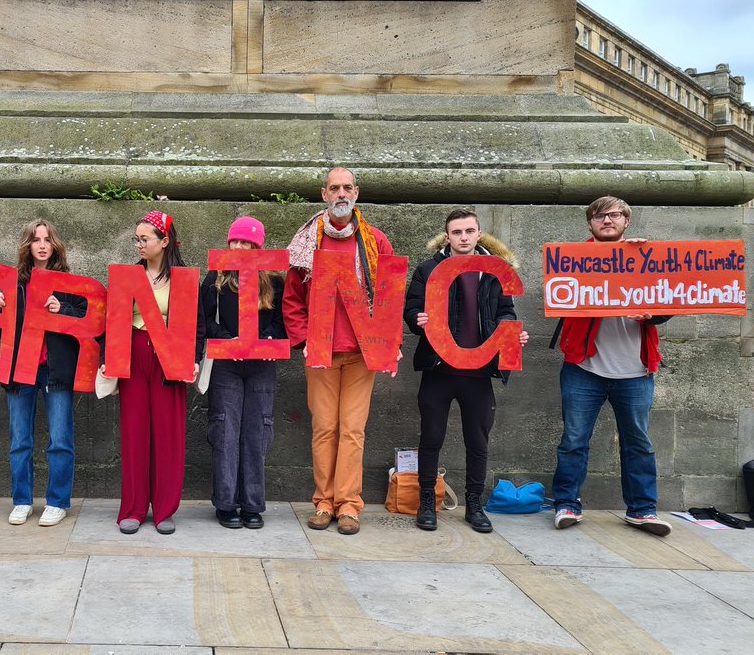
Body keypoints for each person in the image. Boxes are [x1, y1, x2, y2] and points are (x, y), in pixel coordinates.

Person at [551, 196, 673, 536]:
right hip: (584, 369)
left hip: (635, 371)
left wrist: (653, 312)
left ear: (626, 221)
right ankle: (566, 504)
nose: (607, 220)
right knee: (574, 440)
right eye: (599, 216)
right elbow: (559, 294)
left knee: (639, 443)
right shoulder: (573, 259)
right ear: (590, 223)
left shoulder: (646, 257)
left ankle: (643, 510)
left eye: (615, 215)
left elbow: (668, 302)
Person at [282, 167, 394, 535]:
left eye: (347, 187)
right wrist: (303, 340)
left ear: (356, 193)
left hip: (362, 352)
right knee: (324, 429)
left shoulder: (376, 241)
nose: (341, 193)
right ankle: (324, 502)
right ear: (324, 194)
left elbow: (390, 295)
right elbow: (292, 298)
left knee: (353, 430)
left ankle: (348, 505)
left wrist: (389, 343)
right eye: (335, 188)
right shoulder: (307, 242)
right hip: (321, 352)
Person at [403, 208, 529, 533]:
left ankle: (474, 505)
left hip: (479, 372)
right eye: (457, 232)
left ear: (478, 234)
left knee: (478, 442)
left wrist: (509, 332)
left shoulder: (496, 270)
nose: (463, 237)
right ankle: (427, 502)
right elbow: (412, 307)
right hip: (439, 369)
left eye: (469, 231)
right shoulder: (429, 269)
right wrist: (416, 319)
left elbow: (506, 311)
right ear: (447, 237)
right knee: (431, 438)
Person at [0, 219, 85, 527]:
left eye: (47, 239)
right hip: (19, 371)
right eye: (36, 239)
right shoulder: (13, 284)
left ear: (55, 245)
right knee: (20, 441)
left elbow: (88, 324)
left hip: (56, 372)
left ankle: (57, 502)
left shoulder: (69, 284)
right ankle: (22, 500)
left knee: (60, 439)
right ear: (27, 245)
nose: (42, 245)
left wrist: (63, 310)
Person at [108, 211, 196, 535]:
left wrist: (194, 358)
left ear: (164, 241)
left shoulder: (183, 278)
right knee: (134, 433)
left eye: (145, 239)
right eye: (137, 239)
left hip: (168, 360)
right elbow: (111, 320)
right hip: (133, 356)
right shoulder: (129, 276)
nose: (139, 244)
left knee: (167, 434)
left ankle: (164, 509)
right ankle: (133, 508)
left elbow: (197, 325)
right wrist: (108, 357)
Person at [196, 216, 285, 529]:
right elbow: (204, 319)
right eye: (235, 241)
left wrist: (269, 338)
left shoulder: (274, 281)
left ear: (258, 247)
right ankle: (226, 503)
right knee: (225, 430)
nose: (239, 246)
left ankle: (252, 504)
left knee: (257, 432)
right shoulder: (216, 278)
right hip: (226, 365)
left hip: (262, 365)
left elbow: (283, 319)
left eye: (246, 242)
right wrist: (227, 339)